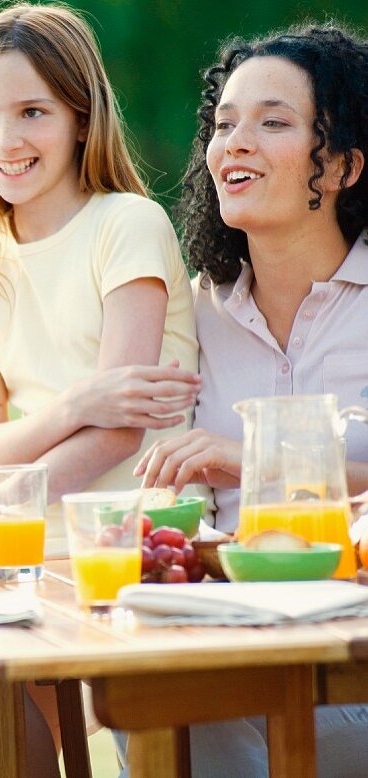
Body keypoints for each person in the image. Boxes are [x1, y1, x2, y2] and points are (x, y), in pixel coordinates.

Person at [0, 4, 200, 772]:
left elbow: (124, 434)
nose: (4, 140)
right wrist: (78, 405)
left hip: (142, 533)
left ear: (80, 120)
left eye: (32, 113)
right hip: (29, 540)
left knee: (131, 735)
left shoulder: (127, 225)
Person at [131, 22, 368, 777]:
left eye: (273, 122)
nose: (236, 141)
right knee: (156, 706)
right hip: (217, 646)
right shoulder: (192, 314)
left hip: (349, 656)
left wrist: (253, 459)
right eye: (224, 123)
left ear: (340, 166)